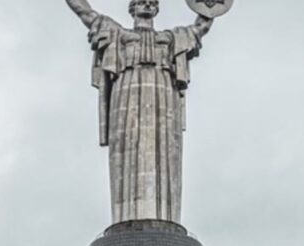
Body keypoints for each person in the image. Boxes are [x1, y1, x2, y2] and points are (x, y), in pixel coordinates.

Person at [64, 0, 214, 224]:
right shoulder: (117, 34)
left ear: (156, 9)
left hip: (164, 93)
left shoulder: (171, 38)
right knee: (127, 145)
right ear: (131, 8)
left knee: (166, 149)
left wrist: (210, 8)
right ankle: (126, 217)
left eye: (151, 2)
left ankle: (165, 217)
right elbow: (85, 12)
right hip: (127, 90)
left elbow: (200, 27)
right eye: (140, 1)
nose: (146, 4)